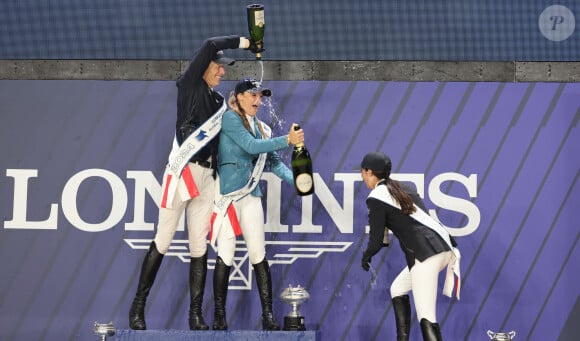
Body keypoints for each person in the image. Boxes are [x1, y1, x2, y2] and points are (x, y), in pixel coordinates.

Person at [128, 35, 263, 330]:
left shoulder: (218, 102)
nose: (222, 71)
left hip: (206, 177)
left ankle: (195, 314)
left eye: (224, 68)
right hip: (183, 172)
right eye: (218, 66)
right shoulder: (190, 85)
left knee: (199, 246)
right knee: (163, 239)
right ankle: (137, 308)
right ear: (204, 67)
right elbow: (210, 44)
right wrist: (245, 42)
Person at [209, 78, 304, 330]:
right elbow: (250, 146)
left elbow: (272, 162)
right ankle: (219, 316)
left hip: (251, 197)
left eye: (260, 96)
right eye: (253, 95)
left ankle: (268, 316)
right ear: (239, 97)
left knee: (259, 254)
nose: (258, 100)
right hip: (228, 198)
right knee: (225, 255)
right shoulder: (230, 119)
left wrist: (295, 180)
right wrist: (287, 140)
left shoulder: (263, 128)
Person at [359, 152, 460, 341]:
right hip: (442, 248)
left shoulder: (375, 197)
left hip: (425, 255)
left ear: (370, 172)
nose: (362, 177)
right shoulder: (403, 187)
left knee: (427, 317)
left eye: (363, 172)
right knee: (397, 289)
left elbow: (376, 240)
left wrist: (366, 255)